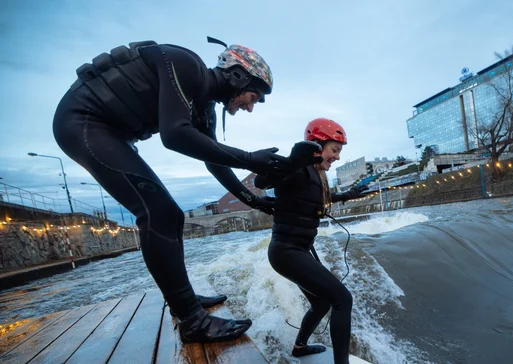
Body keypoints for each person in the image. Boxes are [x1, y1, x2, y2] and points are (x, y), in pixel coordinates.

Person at [52, 37, 313, 343]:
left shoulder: (204, 110)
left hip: (113, 132)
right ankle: (192, 320)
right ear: (238, 77)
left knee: (168, 215)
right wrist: (250, 159)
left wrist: (255, 201)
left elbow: (214, 163)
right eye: (253, 97)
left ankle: (185, 301)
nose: (251, 108)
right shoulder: (186, 65)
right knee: (160, 214)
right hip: (83, 121)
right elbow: (174, 135)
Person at [254, 118, 368, 364]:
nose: (337, 157)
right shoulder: (299, 169)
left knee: (321, 303)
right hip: (286, 252)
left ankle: (299, 347)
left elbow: (314, 198)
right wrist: (292, 162)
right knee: (342, 299)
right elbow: (261, 182)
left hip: (298, 251)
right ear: (317, 146)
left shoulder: (316, 176)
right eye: (334, 150)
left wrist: (347, 195)